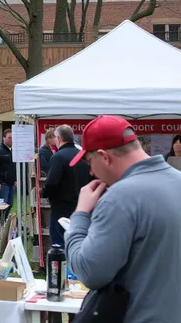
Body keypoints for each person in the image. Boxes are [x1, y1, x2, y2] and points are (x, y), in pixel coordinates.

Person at [65, 115, 181, 322]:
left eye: (90, 162)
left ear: (104, 157)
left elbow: (89, 271)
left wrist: (81, 214)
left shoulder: (119, 198)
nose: (91, 171)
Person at [41, 125, 91, 247]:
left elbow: (52, 182)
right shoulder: (82, 156)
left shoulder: (58, 157)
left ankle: (62, 266)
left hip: (61, 207)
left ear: (58, 138)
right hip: (82, 207)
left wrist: (44, 193)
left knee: (59, 245)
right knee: (78, 242)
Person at [0, 129, 15, 214]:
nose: (11, 139)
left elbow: (13, 167)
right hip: (2, 184)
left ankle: (4, 222)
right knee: (1, 206)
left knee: (10, 204)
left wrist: (15, 179)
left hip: (11, 184)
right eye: (9, 137)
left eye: (13, 137)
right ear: (4, 138)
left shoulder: (12, 151)